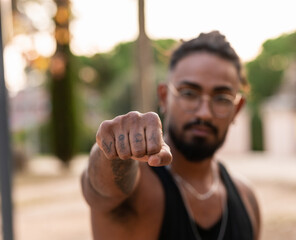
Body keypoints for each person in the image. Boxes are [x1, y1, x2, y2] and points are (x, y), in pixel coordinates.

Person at [81, 30, 261, 240]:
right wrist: (112, 150)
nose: (204, 112)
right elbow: (100, 190)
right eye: (188, 93)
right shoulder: (139, 190)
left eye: (221, 98)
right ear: (164, 97)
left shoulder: (246, 198)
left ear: (236, 110)